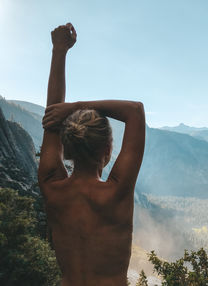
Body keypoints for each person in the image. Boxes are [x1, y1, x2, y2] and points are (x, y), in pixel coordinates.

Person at [38, 23, 145, 286]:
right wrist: (76, 107)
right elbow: (135, 111)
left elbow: (52, 115)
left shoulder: (52, 185)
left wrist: (59, 51)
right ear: (108, 150)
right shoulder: (116, 192)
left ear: (69, 148)